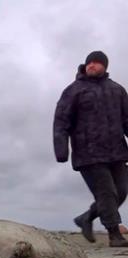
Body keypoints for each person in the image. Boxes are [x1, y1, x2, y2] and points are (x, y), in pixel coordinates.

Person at [54, 50, 128, 247]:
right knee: (107, 193)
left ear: (105, 66)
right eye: (89, 63)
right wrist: (61, 149)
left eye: (96, 63)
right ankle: (115, 234)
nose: (92, 65)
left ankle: (86, 218)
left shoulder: (118, 90)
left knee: (121, 192)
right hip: (88, 153)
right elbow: (61, 121)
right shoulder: (74, 90)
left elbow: (127, 120)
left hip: (117, 152)